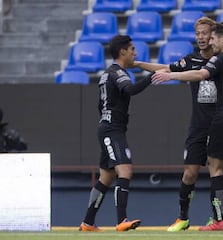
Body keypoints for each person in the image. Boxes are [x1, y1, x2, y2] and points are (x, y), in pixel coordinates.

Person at [134, 18, 223, 231]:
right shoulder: (221, 58)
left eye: (208, 35)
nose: (203, 38)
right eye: (198, 34)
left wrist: (171, 76)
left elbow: (204, 74)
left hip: (222, 121)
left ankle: (220, 220)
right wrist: (141, 65)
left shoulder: (220, 60)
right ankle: (187, 217)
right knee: (195, 172)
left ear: (216, 38)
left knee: (218, 171)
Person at [79, 35, 154, 232]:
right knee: (125, 170)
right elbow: (129, 89)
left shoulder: (106, 73)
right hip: (112, 130)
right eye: (132, 49)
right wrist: (151, 78)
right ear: (122, 52)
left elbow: (100, 104)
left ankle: (87, 223)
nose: (135, 53)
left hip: (107, 127)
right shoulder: (118, 73)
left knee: (106, 177)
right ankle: (122, 220)